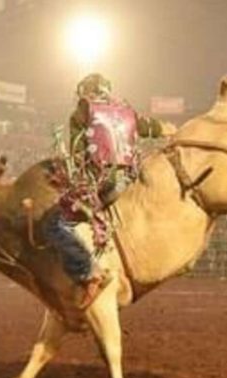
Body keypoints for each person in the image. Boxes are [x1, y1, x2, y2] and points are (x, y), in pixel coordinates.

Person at [47, 73, 174, 307]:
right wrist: (168, 130)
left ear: (87, 92)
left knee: (56, 224)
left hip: (102, 183)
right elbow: (154, 127)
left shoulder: (83, 111)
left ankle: (88, 273)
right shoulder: (126, 110)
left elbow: (78, 156)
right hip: (130, 178)